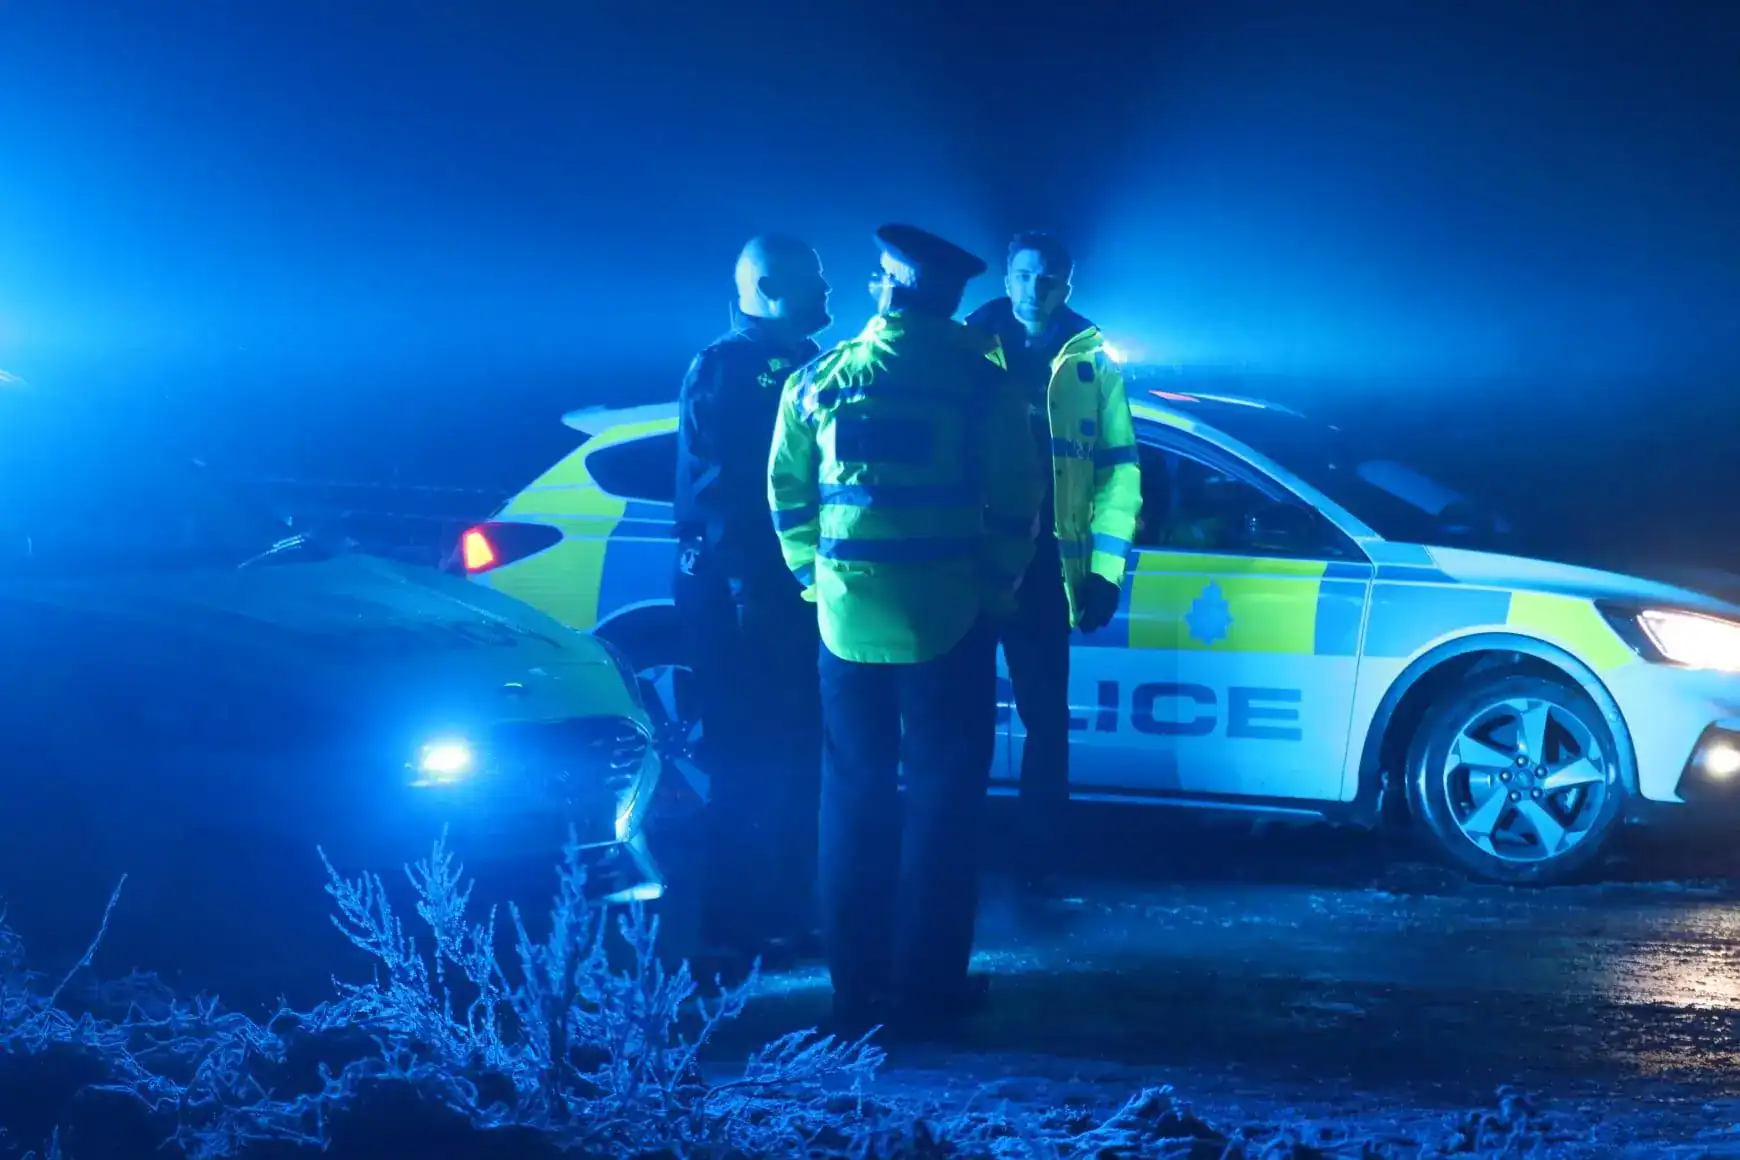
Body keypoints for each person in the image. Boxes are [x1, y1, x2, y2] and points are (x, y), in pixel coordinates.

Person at [768, 224, 1043, 1035]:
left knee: (850, 799)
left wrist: (813, 581)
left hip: (845, 624)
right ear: (948, 298)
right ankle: (929, 987)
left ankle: (854, 990)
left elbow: (787, 493)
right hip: (948, 622)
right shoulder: (980, 386)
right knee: (943, 803)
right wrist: (994, 592)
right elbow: (1018, 501)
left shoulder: (820, 380)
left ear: (889, 288)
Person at [963, 231, 1142, 893]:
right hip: (971, 562)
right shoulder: (963, 345)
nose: (1034, 291)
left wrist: (1103, 572)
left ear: (1068, 285)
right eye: (1023, 275)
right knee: (963, 715)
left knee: (1045, 718)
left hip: (1045, 568)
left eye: (1049, 280)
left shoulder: (1092, 359)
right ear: (1007, 276)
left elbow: (1118, 475)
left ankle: (1039, 855)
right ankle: (961, 842)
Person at [673, 234, 833, 966]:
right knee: (748, 763)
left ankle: (784, 914)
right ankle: (732, 926)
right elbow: (723, 497)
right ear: (769, 286)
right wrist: (748, 593)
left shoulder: (802, 363)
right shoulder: (729, 369)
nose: (828, 293)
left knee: (798, 759)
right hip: (748, 605)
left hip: (790, 597)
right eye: (813, 281)